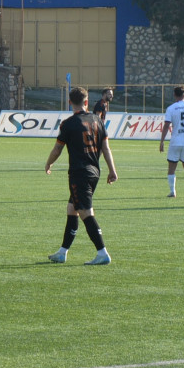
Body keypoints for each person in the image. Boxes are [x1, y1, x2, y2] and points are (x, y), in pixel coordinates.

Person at [45, 86, 117, 265]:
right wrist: (112, 170)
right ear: (86, 102)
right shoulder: (98, 120)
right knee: (72, 209)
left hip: (79, 173)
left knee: (85, 212)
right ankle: (62, 252)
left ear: (70, 102)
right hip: (94, 171)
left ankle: (102, 252)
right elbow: (105, 148)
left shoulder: (68, 124)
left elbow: (57, 149)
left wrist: (49, 163)